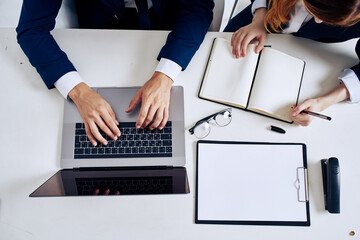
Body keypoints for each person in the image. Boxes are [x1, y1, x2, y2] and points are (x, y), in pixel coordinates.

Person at [16, 0, 214, 146]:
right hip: (100, 28)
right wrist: (79, 92)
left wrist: (165, 75)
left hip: (171, 22)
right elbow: (32, 29)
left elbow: (198, 8)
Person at [224, 0, 360, 126]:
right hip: (254, 21)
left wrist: (323, 102)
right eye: (314, 8)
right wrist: (259, 18)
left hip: (307, 53)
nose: (318, 20)